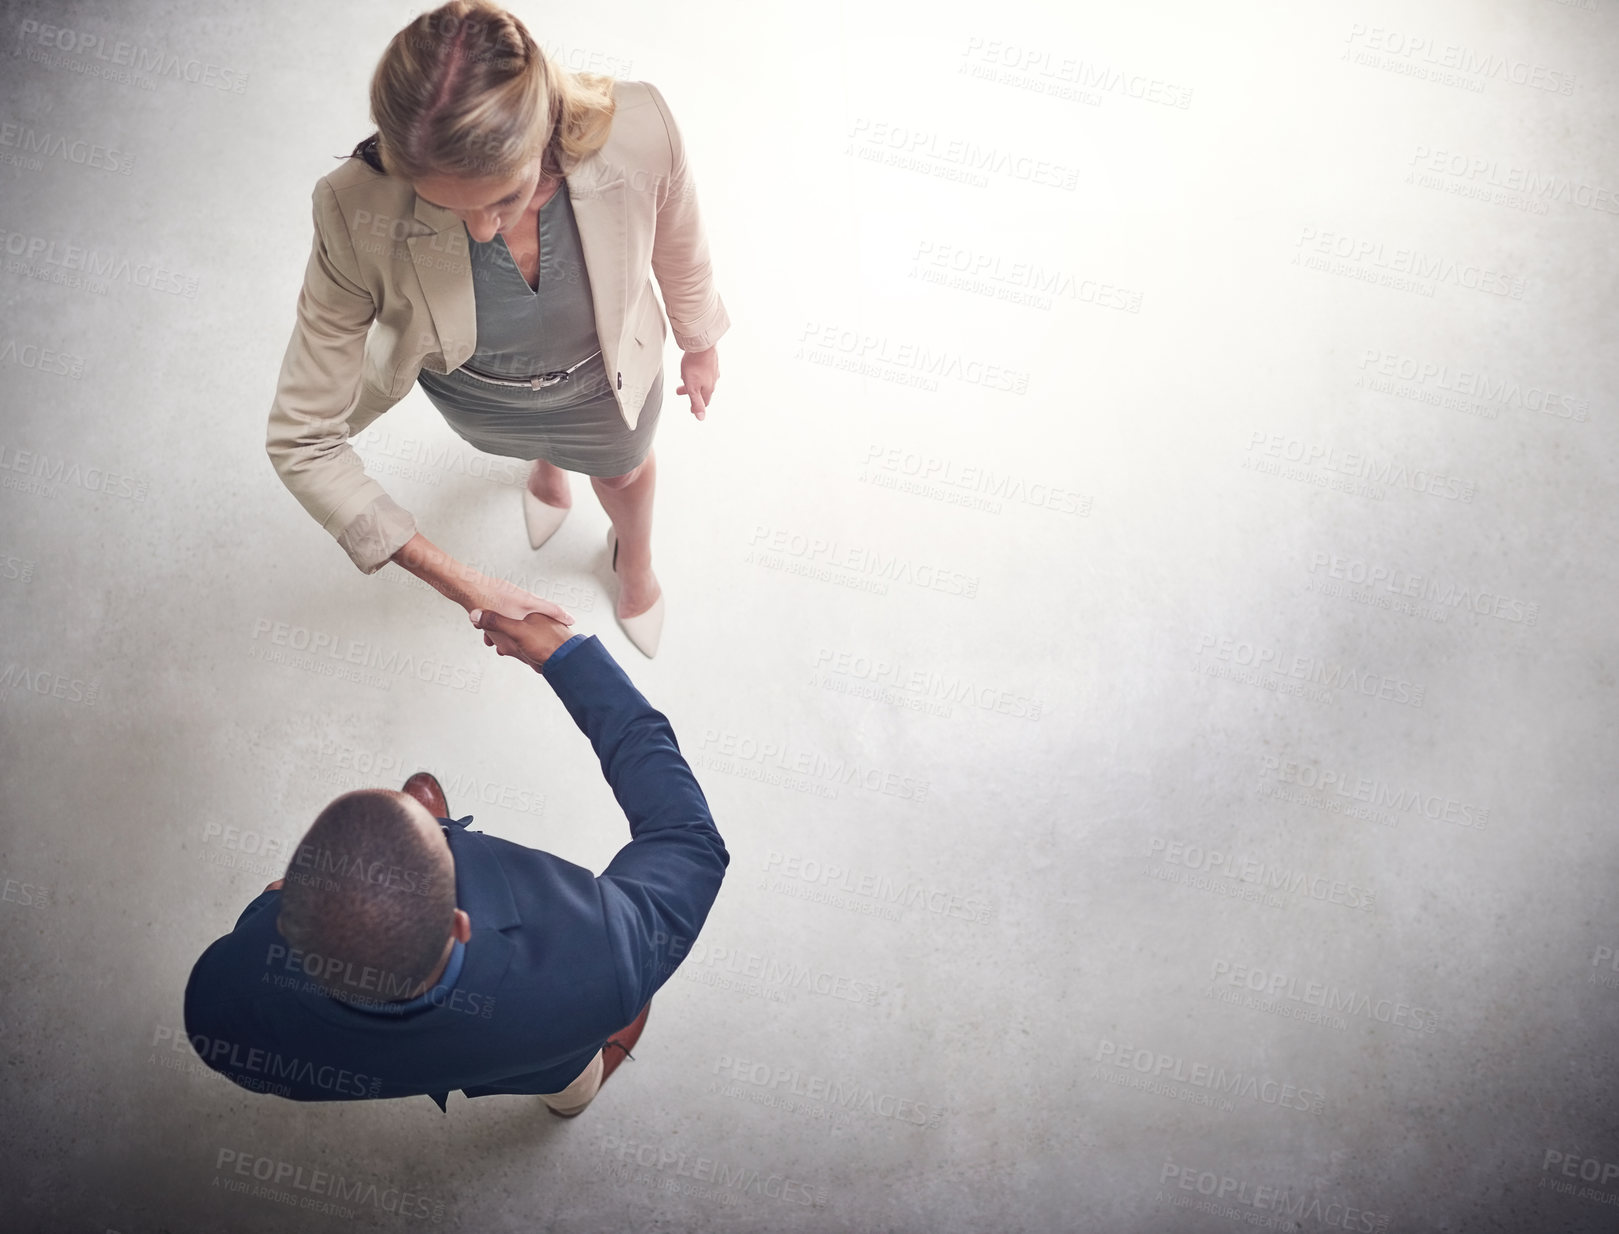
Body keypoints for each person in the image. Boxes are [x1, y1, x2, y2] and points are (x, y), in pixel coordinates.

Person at [265, 0, 731, 657]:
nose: (483, 230)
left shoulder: (641, 125)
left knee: (624, 474)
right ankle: (544, 467)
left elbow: (679, 239)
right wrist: (465, 585)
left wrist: (699, 340)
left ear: (543, 130)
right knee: (523, 446)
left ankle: (635, 563)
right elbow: (300, 438)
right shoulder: (351, 205)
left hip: (603, 380)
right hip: (479, 395)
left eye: (506, 199)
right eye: (447, 207)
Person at [182, 613, 728, 1115]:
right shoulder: (607, 960)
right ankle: (576, 1090)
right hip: (548, 1036)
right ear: (459, 923)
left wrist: (275, 902)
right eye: (443, 839)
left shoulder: (221, 1004)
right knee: (566, 1062)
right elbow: (687, 838)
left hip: (393, 1053)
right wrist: (569, 658)